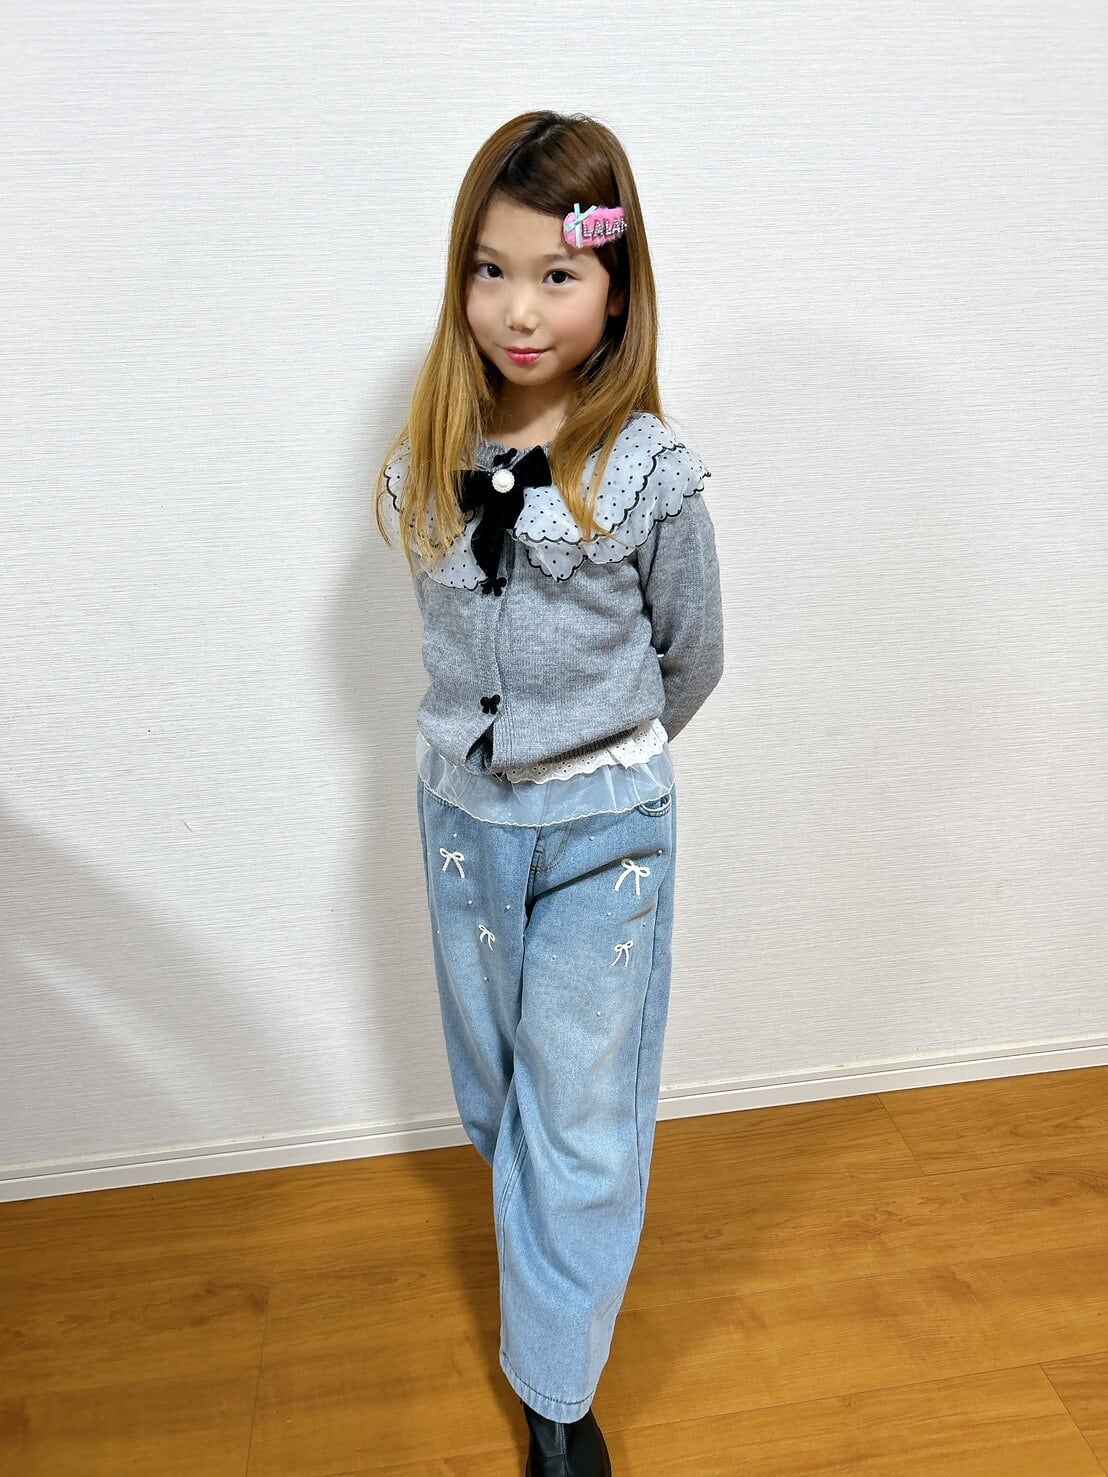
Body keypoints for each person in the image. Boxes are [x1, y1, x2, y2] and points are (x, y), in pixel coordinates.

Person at [376, 110, 724, 1477]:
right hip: (464, 828)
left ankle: (559, 1396)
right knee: (500, 1102)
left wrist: (598, 756)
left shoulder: (646, 476)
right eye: (491, 270)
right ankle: (545, 1286)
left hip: (602, 832)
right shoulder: (430, 455)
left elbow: (691, 654)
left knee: (579, 1120)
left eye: (557, 275)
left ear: (615, 290)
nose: (520, 310)